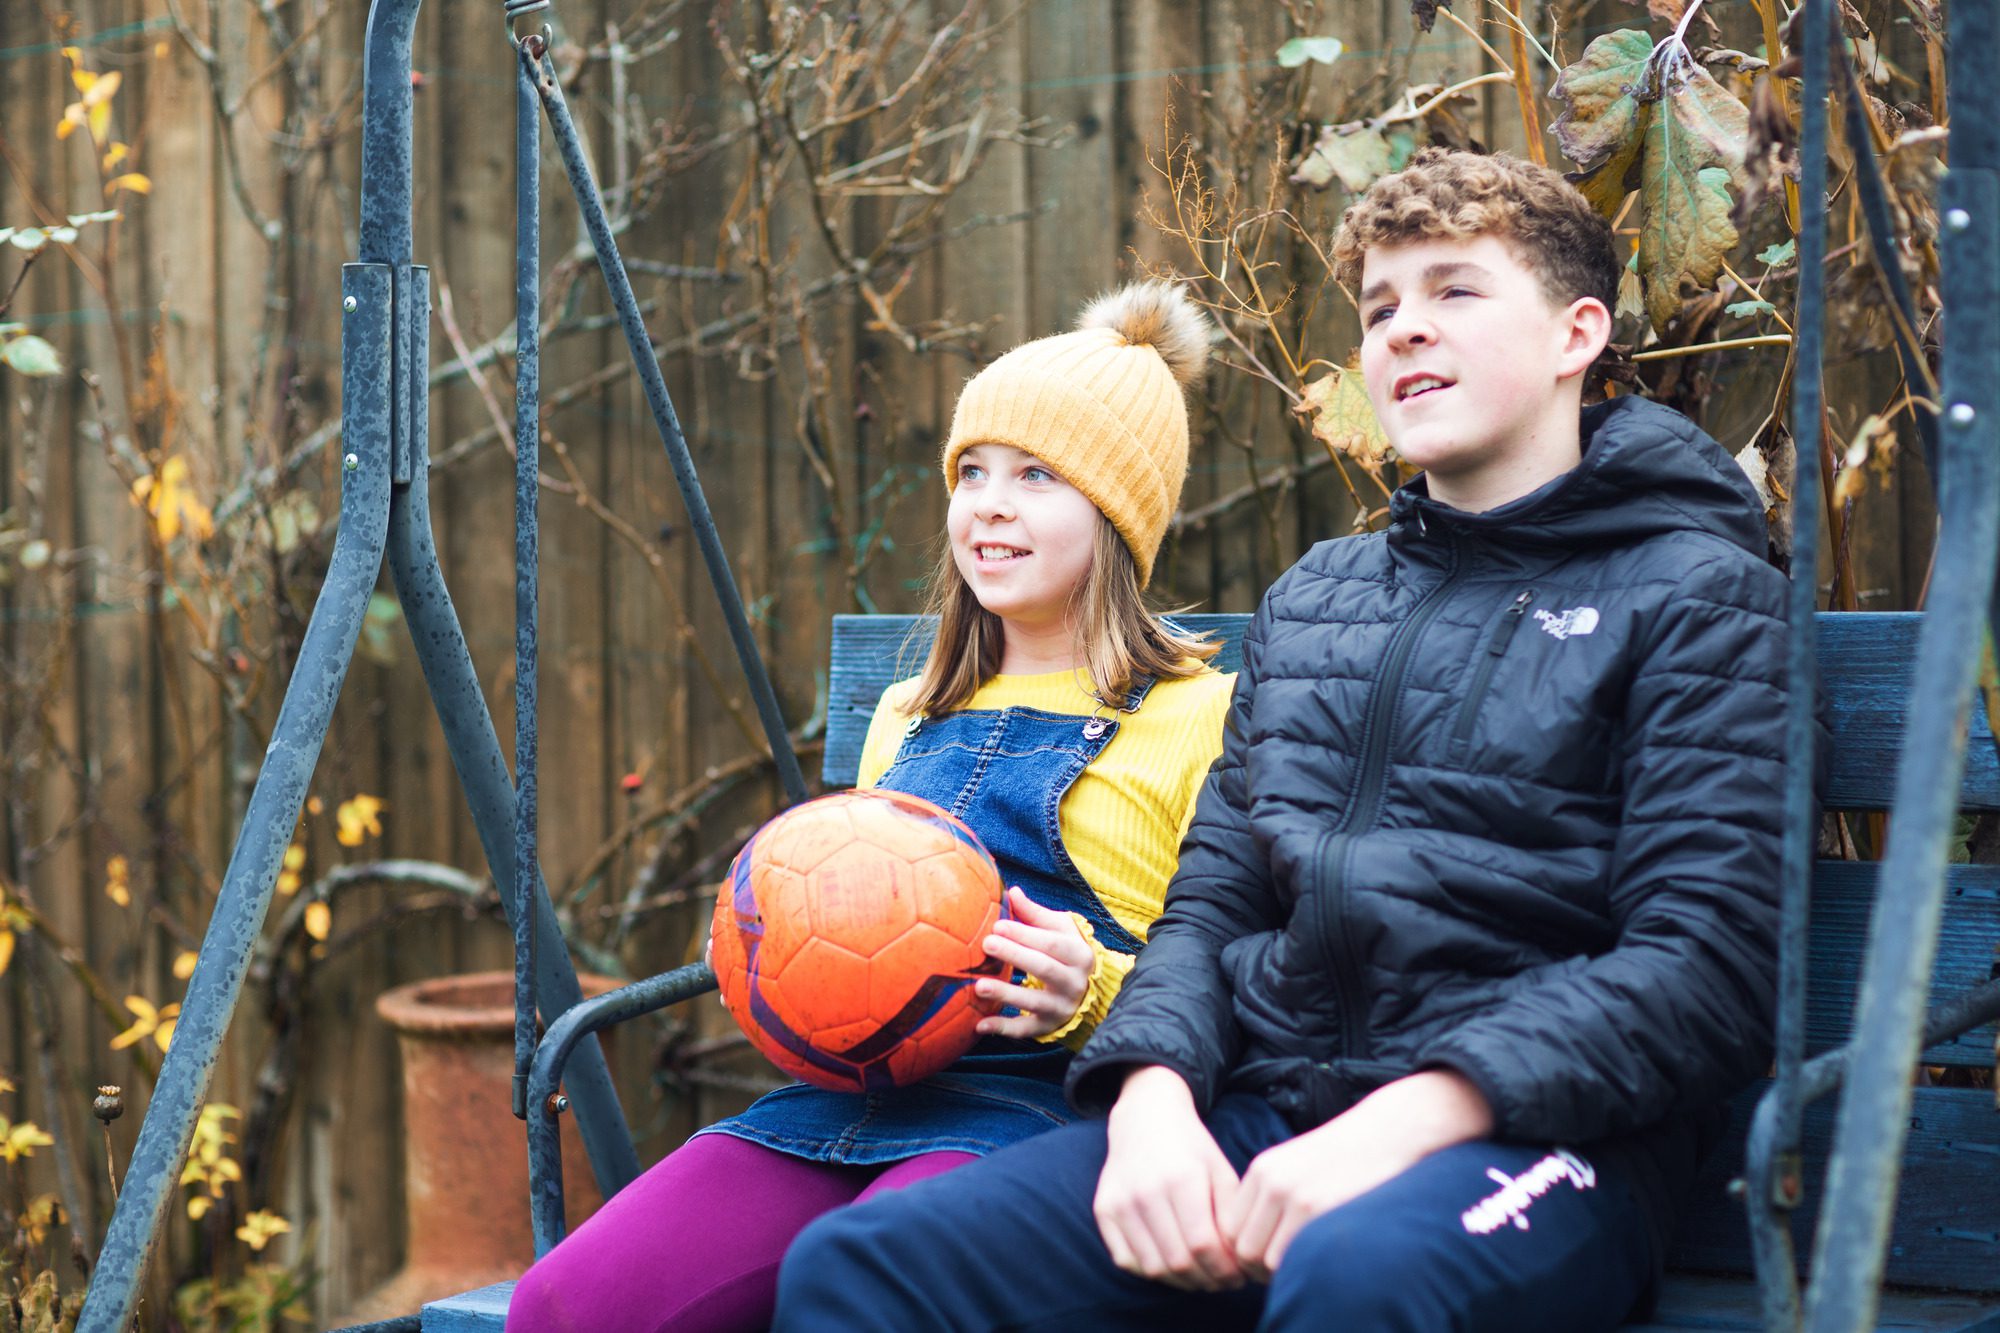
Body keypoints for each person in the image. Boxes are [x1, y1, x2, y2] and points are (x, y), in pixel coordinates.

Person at [771, 148, 1794, 1332]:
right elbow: (1211, 901)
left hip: (1535, 1138)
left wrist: (1407, 1116)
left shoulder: (1692, 593)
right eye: (1378, 306)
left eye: (1453, 291)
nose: (1404, 328)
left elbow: (1704, 960)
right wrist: (1151, 1100)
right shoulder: (1321, 597)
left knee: (1355, 1281)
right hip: (1262, 1109)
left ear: (1575, 335)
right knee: (867, 1268)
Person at [506, 282, 1236, 1333]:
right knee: (568, 1304)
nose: (989, 503)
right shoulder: (908, 708)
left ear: (1118, 513)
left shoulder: (1196, 717)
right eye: (972, 472)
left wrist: (1095, 985)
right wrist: (772, 963)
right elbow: (853, 912)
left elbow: (1229, 958)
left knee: (865, 1291)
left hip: (1047, 1103)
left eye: (1036, 476)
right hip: (847, 1094)